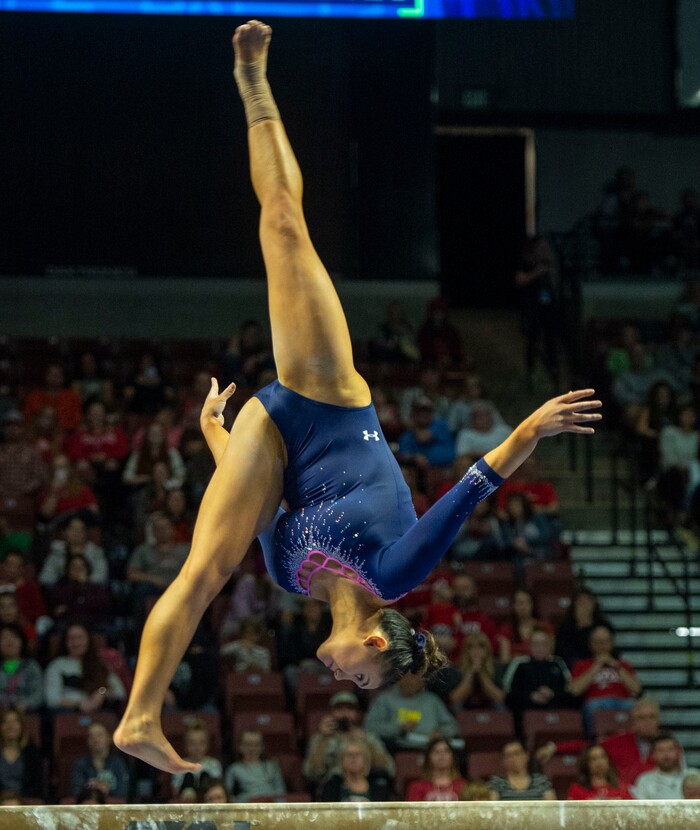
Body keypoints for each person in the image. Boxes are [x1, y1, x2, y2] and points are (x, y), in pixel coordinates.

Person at [113, 20, 601, 774]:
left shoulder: (286, 572)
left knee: (204, 573)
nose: (339, 677)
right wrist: (531, 426)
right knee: (282, 221)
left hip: (269, 434)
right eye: (358, 674)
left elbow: (260, 492)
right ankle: (254, 82)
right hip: (326, 394)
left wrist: (219, 433)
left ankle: (139, 716)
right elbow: (470, 490)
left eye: (348, 683)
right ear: (375, 640)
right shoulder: (397, 572)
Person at [535, 696, 662, 788]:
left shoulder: (669, 746)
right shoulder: (619, 741)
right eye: (642, 718)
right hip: (625, 798)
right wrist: (555, 747)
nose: (647, 723)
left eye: (652, 717)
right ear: (633, 721)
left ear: (658, 720)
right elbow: (587, 746)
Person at [303, 690, 394, 793]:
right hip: (331, 791)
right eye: (339, 709)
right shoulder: (320, 739)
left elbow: (388, 768)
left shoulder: (368, 738)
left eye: (349, 709)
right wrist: (323, 740)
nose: (344, 713)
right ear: (332, 712)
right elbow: (311, 772)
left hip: (365, 788)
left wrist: (367, 743)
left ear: (357, 713)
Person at [569, 626, 641, 736]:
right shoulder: (581, 665)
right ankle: (594, 741)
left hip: (622, 702)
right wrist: (596, 666)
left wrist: (617, 667)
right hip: (596, 703)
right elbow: (575, 690)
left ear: (612, 643)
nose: (602, 645)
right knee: (592, 707)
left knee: (635, 707)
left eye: (605, 641)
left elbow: (636, 689)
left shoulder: (623, 664)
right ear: (591, 644)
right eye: (598, 642)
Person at [364, 671, 460, 753]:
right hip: (398, 748)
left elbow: (452, 727)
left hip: (430, 748)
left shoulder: (432, 700)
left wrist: (440, 733)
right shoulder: (385, 699)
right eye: (409, 677)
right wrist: (398, 728)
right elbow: (370, 726)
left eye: (418, 677)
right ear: (400, 678)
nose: (413, 681)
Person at [44, 623, 126, 713]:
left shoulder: (101, 665)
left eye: (80, 638)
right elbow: (52, 699)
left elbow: (120, 693)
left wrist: (102, 692)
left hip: (98, 715)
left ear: (88, 640)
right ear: (65, 642)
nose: (76, 643)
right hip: (67, 715)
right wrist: (79, 704)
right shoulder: (56, 666)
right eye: (71, 639)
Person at [502, 627, 572, 730]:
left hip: (555, 711)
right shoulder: (520, 664)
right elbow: (509, 694)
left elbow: (569, 692)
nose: (540, 648)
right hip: (526, 711)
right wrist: (531, 696)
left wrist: (552, 694)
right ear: (529, 646)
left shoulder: (557, 663)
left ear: (549, 646)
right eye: (535, 644)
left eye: (543, 644)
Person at [318, 736, 395, 802]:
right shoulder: (332, 787)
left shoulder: (379, 789)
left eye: (357, 754)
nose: (353, 758)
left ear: (366, 759)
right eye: (349, 754)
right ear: (341, 760)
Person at [70, 722, 130, 801]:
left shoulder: (118, 763)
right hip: (89, 806)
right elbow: (76, 790)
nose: (95, 739)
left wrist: (107, 790)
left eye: (99, 735)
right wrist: (92, 789)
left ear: (109, 738)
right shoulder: (81, 763)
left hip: (114, 807)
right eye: (91, 736)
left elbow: (124, 791)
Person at [447, 631, 505, 711]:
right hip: (465, 705)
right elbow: (454, 699)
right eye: (472, 647)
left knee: (500, 707)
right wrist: (470, 673)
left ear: (487, 650)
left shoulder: (496, 667)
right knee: (455, 707)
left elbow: (499, 698)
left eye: (481, 647)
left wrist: (482, 674)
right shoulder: (456, 668)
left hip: (489, 705)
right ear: (466, 651)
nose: (476, 651)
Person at [224, 729, 285, 803]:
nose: (252, 749)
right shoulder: (234, 769)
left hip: (271, 804)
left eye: (256, 745)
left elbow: (280, 790)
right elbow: (227, 793)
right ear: (240, 746)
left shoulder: (272, 766)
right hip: (247, 806)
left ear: (262, 747)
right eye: (248, 745)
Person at [632, 733, 698, 800]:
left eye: (670, 749)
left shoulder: (695, 775)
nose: (666, 755)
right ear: (653, 755)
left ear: (679, 752)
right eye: (660, 750)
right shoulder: (645, 780)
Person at [171, 720, 223, 802]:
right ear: (185, 745)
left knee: (205, 776)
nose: (197, 747)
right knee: (188, 777)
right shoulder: (180, 763)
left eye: (201, 743)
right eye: (192, 743)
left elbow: (217, 788)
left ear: (207, 745)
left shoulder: (214, 763)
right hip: (187, 800)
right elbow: (175, 789)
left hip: (207, 799)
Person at [489, 740, 556, 801]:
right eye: (508, 755)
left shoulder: (541, 781)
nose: (513, 758)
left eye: (516, 754)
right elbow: (493, 809)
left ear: (526, 756)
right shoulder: (497, 782)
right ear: (503, 761)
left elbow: (552, 809)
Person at [499, 589, 554, 663]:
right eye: (519, 603)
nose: (522, 607)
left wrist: (518, 657)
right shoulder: (506, 629)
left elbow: (550, 655)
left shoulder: (545, 627)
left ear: (532, 604)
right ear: (513, 606)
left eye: (526, 602)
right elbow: (504, 660)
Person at [406, 735, 467, 801]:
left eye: (446, 751)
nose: (441, 755)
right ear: (428, 758)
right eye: (436, 752)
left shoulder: (463, 786)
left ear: (452, 757)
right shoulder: (417, 787)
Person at [0, 707, 43, 800]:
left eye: (15, 721)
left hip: (25, 801)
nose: (10, 726)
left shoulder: (32, 753)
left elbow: (38, 786)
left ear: (21, 726)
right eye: (5, 722)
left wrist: (17, 797)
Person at [0, 623, 43, 712]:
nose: (9, 641)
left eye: (14, 637)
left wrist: (26, 703)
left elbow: (39, 694)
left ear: (22, 642)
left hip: (26, 713)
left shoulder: (31, 666)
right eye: (4, 638)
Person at [567, 745, 633, 800]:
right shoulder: (576, 789)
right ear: (586, 764)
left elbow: (634, 810)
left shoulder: (621, 788)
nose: (599, 762)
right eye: (593, 759)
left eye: (603, 757)